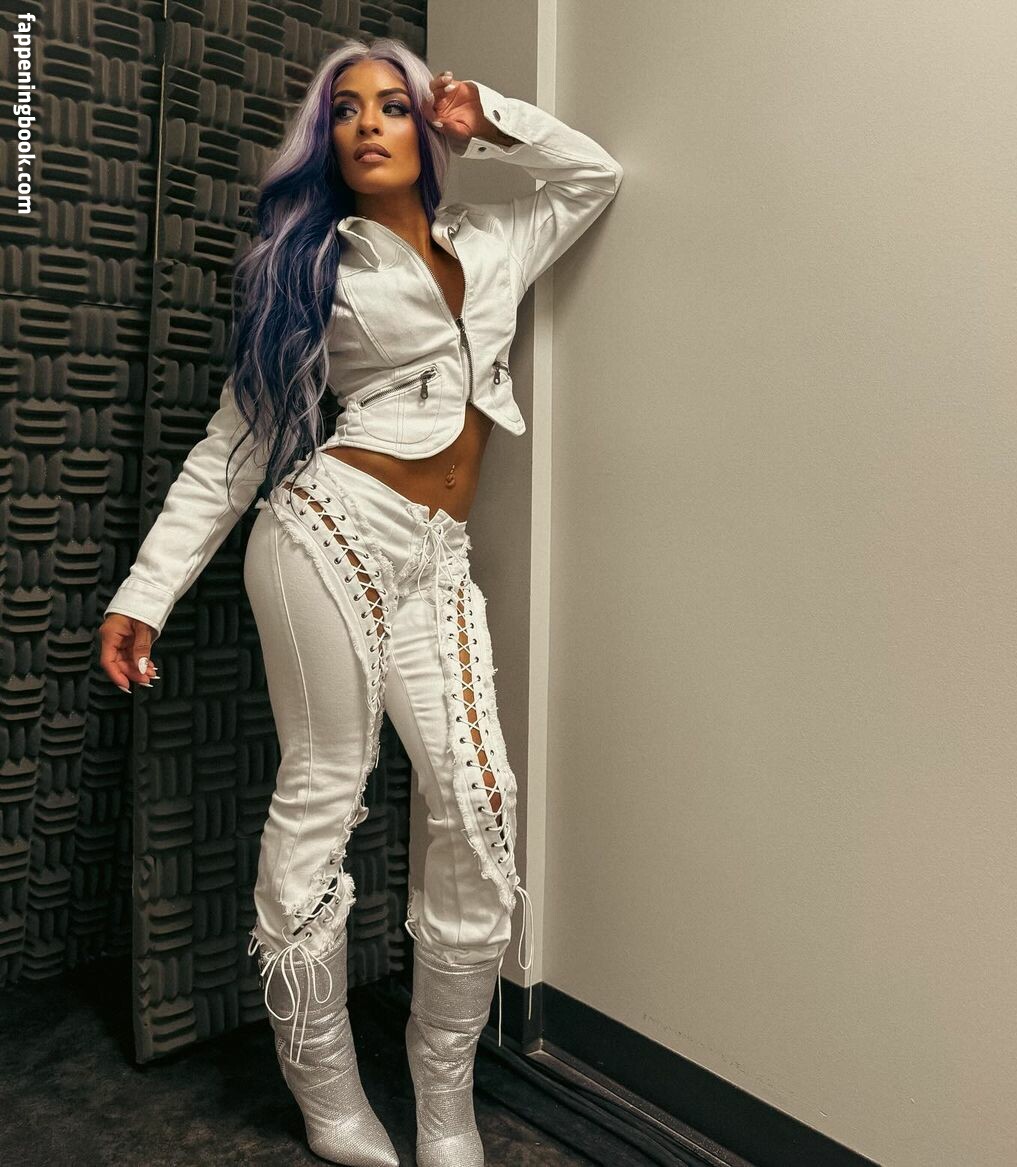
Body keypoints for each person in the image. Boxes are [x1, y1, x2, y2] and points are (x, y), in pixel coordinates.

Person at [98, 35, 622, 1167]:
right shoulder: (310, 266)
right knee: (324, 791)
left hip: (438, 553)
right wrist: (147, 590)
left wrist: (494, 115)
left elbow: (593, 177)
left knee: (479, 799)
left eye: (393, 104)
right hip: (325, 530)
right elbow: (235, 443)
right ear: (327, 142)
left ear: (427, 128)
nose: (369, 124)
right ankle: (329, 1095)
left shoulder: (494, 241)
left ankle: (445, 1098)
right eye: (346, 110)